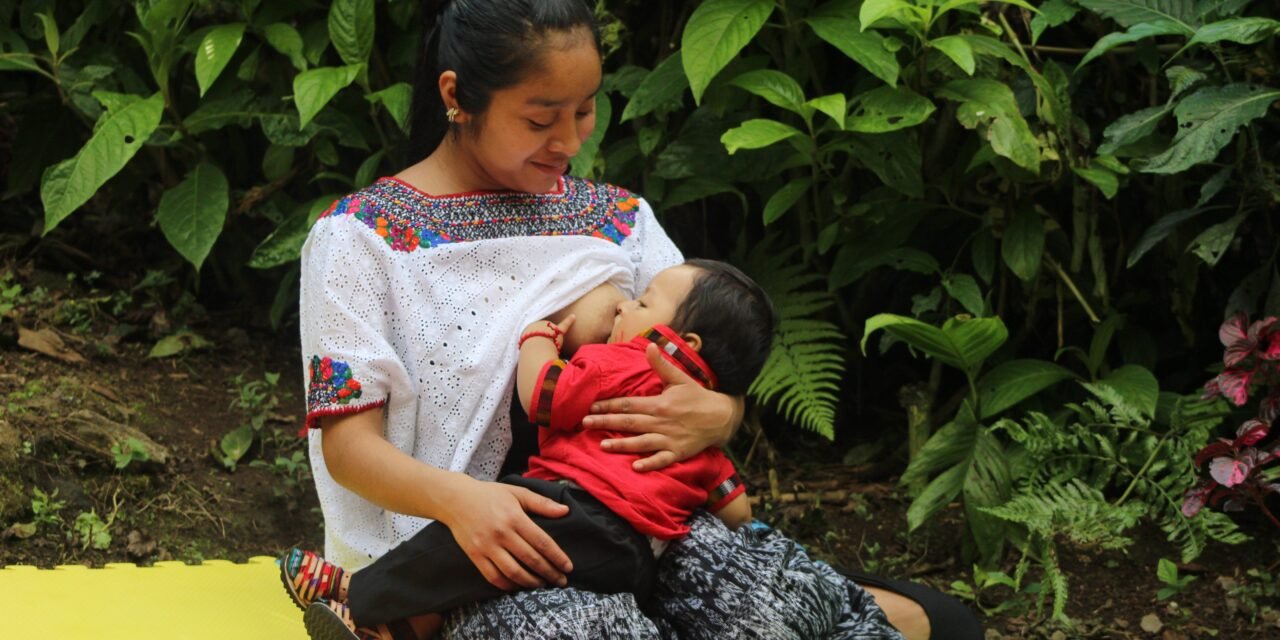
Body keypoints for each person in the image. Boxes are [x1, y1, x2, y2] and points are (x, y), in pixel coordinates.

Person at [290, 0, 978, 638]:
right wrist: (466, 504)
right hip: (485, 549)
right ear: (455, 97)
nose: (569, 140)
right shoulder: (362, 238)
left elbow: (705, 360)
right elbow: (350, 449)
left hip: (651, 525)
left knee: (929, 621)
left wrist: (721, 413)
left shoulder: (617, 220)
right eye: (540, 118)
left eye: (585, 112)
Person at [287, 260, 771, 639]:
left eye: (642, 304)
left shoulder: (622, 364)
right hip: (640, 562)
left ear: (677, 344)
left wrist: (537, 337)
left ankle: (358, 592)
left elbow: (545, 396)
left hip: (582, 512)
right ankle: (394, 630)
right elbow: (736, 508)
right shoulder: (700, 440)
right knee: (491, 573)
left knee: (475, 540)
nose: (625, 307)